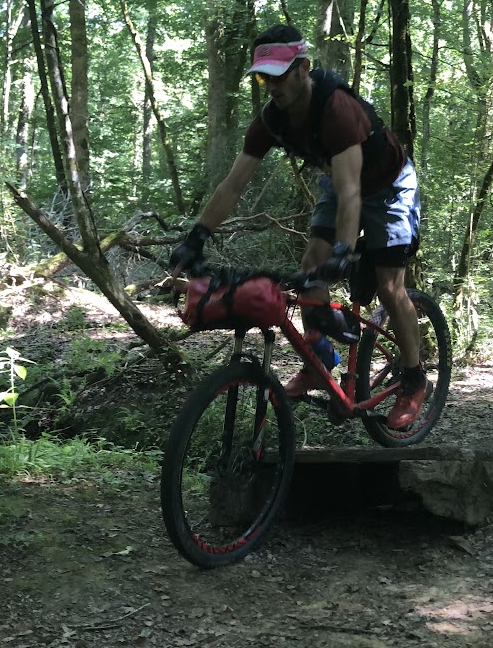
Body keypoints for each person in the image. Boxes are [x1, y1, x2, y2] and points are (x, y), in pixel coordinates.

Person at [169, 23, 427, 429]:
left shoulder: (337, 110)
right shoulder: (271, 120)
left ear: (303, 68)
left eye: (279, 75)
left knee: (388, 286)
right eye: (263, 78)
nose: (272, 86)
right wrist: (197, 236)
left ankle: (413, 379)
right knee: (311, 267)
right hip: (342, 184)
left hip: (389, 187)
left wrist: (345, 250)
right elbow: (233, 184)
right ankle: (318, 361)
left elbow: (352, 191)